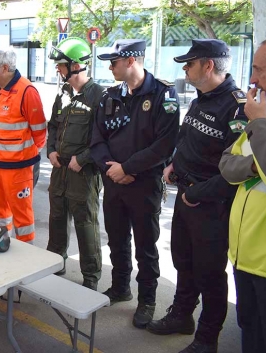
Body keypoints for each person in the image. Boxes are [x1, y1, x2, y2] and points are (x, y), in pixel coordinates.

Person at [146, 40, 246, 353]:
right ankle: (181, 316)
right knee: (184, 261)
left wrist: (198, 194)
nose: (185, 69)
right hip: (187, 196)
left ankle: (207, 339)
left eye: (190, 64)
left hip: (211, 204)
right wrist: (175, 163)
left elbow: (237, 170)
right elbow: (187, 138)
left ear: (209, 65)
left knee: (210, 274)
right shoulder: (201, 98)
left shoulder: (237, 106)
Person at [91, 39, 179, 329]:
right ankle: (120, 287)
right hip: (114, 182)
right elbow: (97, 140)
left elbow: (164, 146)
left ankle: (147, 300)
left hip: (144, 185)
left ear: (131, 61)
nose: (110, 66)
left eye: (114, 61)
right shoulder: (110, 96)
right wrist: (114, 170)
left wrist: (128, 168)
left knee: (145, 246)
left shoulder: (162, 95)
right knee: (116, 240)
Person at [219, 39, 266, 353]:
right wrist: (255, 165)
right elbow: (227, 164)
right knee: (249, 333)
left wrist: (260, 123)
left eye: (261, 70)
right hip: (244, 257)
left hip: (265, 265)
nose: (253, 80)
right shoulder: (259, 121)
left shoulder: (259, 121)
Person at [46, 38, 104, 290]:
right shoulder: (63, 94)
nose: (58, 70)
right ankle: (54, 263)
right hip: (60, 169)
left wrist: (84, 159)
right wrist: (50, 151)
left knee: (85, 222)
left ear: (77, 65)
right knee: (57, 217)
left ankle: (91, 277)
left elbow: (106, 138)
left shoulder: (99, 96)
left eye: (61, 65)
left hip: (83, 172)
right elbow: (53, 126)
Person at [0, 47, 46, 243]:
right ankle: (2, 244)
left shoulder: (27, 91)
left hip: (18, 166)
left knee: (22, 215)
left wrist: (27, 156)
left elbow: (40, 131)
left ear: (5, 67)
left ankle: (27, 257)